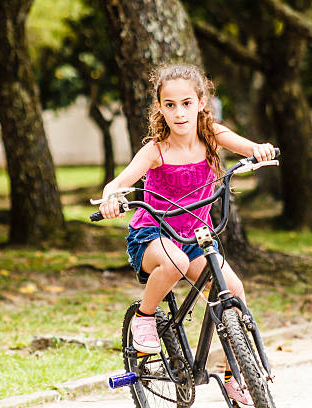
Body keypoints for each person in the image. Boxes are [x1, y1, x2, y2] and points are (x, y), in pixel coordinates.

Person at [99, 64, 275, 406]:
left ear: (200, 102)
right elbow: (119, 181)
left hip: (196, 236)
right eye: (170, 105)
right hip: (152, 234)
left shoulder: (213, 137)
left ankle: (234, 375)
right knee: (175, 262)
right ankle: (145, 317)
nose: (179, 112)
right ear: (160, 108)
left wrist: (261, 150)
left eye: (186, 103)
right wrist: (111, 197)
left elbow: (248, 147)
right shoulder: (156, 150)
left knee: (233, 291)